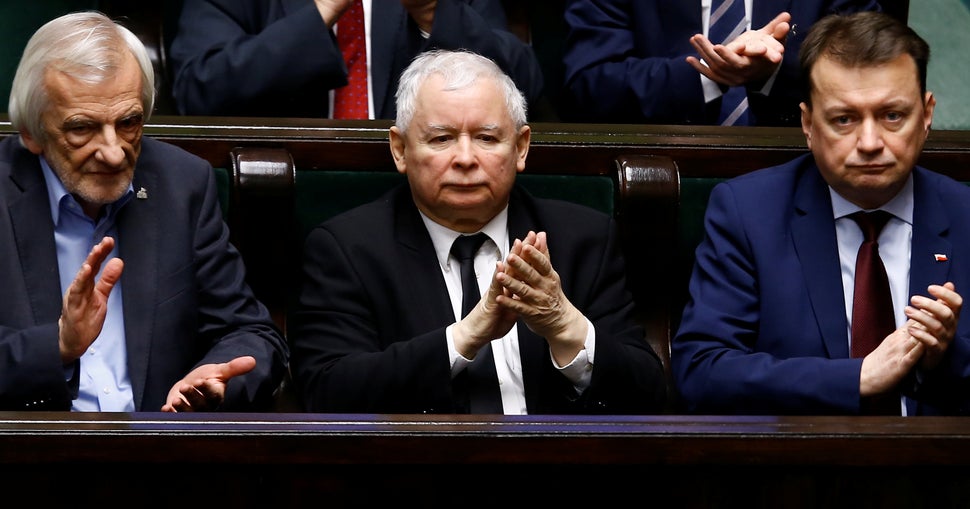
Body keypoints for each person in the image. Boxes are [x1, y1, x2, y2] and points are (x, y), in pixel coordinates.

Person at [290, 49, 666, 414]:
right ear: (400, 150)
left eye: (487, 138)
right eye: (441, 139)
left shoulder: (582, 239)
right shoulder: (348, 248)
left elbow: (649, 395)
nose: (466, 159)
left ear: (520, 148)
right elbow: (326, 391)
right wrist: (464, 337)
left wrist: (566, 326)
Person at [672, 11, 970, 415]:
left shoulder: (964, 214)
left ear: (927, 115)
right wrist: (857, 378)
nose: (869, 142)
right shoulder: (748, 214)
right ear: (808, 124)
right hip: (797, 468)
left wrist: (943, 359)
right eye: (844, 119)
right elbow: (700, 373)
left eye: (892, 116)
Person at [0, 11, 289, 412]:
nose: (115, 151)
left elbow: (250, 331)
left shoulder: (181, 183)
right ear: (31, 132)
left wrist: (214, 378)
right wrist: (58, 346)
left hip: (162, 453)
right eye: (82, 128)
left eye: (129, 122)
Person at [168, 0, 544, 119]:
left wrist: (433, 13)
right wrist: (321, 13)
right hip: (280, 191)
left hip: (420, 194)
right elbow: (199, 89)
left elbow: (523, 89)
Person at [561, 0, 881, 126]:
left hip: (806, 165)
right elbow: (590, 84)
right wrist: (710, 73)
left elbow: (870, 72)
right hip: (658, 173)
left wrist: (772, 73)